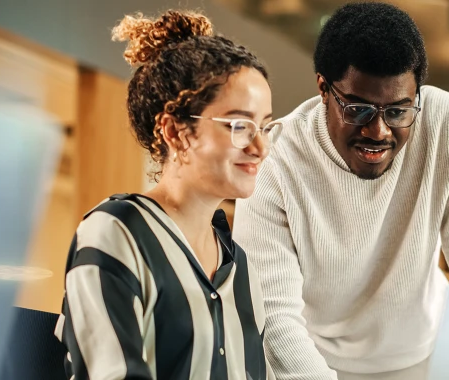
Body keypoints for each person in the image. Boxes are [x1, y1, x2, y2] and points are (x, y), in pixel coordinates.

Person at [233, 2, 449, 379]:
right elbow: (274, 319)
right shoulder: (276, 161)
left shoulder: (447, 124)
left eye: (399, 111)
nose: (379, 132)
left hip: (428, 357)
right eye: (359, 109)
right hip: (316, 365)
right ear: (323, 88)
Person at [54, 10, 280, 380]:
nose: (260, 147)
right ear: (176, 132)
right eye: (240, 125)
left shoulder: (240, 268)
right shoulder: (117, 232)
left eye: (265, 127)